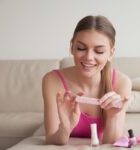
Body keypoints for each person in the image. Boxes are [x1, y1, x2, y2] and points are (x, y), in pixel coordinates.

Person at [42, 15, 132, 145]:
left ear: (111, 53)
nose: (89, 57)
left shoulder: (122, 83)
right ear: (72, 47)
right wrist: (65, 128)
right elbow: (51, 139)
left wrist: (113, 116)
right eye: (81, 48)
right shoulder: (52, 80)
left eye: (99, 51)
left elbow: (112, 145)